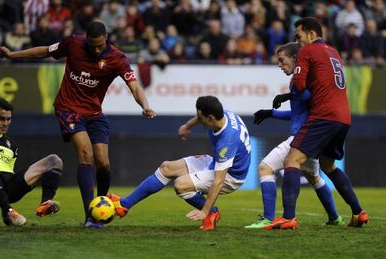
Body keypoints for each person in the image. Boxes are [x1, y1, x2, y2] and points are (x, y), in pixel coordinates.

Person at [0, 21, 156, 229]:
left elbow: (134, 86)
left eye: (100, 45)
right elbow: (44, 52)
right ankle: (90, 216)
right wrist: (12, 55)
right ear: (86, 40)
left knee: (104, 163)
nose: (97, 49)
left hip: (95, 114)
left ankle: (101, 208)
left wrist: (145, 105)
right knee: (85, 154)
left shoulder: (117, 58)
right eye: (93, 45)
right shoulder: (72, 44)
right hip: (68, 108)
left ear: (106, 39)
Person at [265, 17, 369, 230]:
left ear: (311, 34)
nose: (298, 40)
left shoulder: (307, 51)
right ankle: (359, 212)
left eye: (299, 36)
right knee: (328, 165)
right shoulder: (334, 52)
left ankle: (288, 217)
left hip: (324, 116)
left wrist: (288, 94)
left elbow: (300, 85)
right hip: (343, 117)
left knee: (292, 160)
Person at [108, 96, 251, 231]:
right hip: (218, 162)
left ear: (210, 118)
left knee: (181, 185)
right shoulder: (223, 113)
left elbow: (219, 181)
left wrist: (204, 211)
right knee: (166, 167)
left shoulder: (227, 142)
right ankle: (124, 205)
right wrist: (188, 126)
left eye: (201, 118)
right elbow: (200, 117)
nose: (199, 120)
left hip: (231, 177)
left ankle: (211, 213)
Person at [245, 42, 344, 229]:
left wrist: (288, 95)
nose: (280, 65)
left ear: (295, 59)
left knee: (264, 168)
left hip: (301, 138)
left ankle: (268, 218)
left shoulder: (302, 81)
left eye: (282, 60)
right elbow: (298, 113)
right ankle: (334, 217)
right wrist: (271, 113)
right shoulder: (299, 82)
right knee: (315, 178)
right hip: (311, 140)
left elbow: (306, 97)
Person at [0, 98, 63, 226]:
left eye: (9, 119)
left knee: (55, 160)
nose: (6, 123)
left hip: (8, 187)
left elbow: (10, 170)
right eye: (1, 119)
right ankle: (8, 210)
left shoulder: (12, 145)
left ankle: (45, 204)